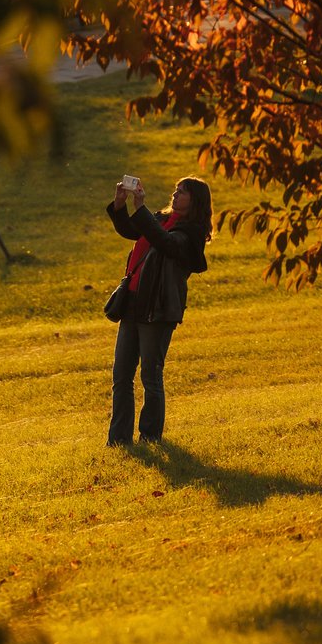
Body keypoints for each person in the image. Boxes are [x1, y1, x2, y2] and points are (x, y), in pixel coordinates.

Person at [104, 176, 211, 446]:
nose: (175, 195)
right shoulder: (160, 219)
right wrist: (120, 206)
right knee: (121, 376)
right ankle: (118, 440)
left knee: (150, 376)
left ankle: (150, 438)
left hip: (159, 308)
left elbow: (166, 243)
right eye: (175, 190)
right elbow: (132, 230)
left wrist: (140, 210)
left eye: (182, 192)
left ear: (194, 200)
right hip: (132, 304)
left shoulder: (192, 232)